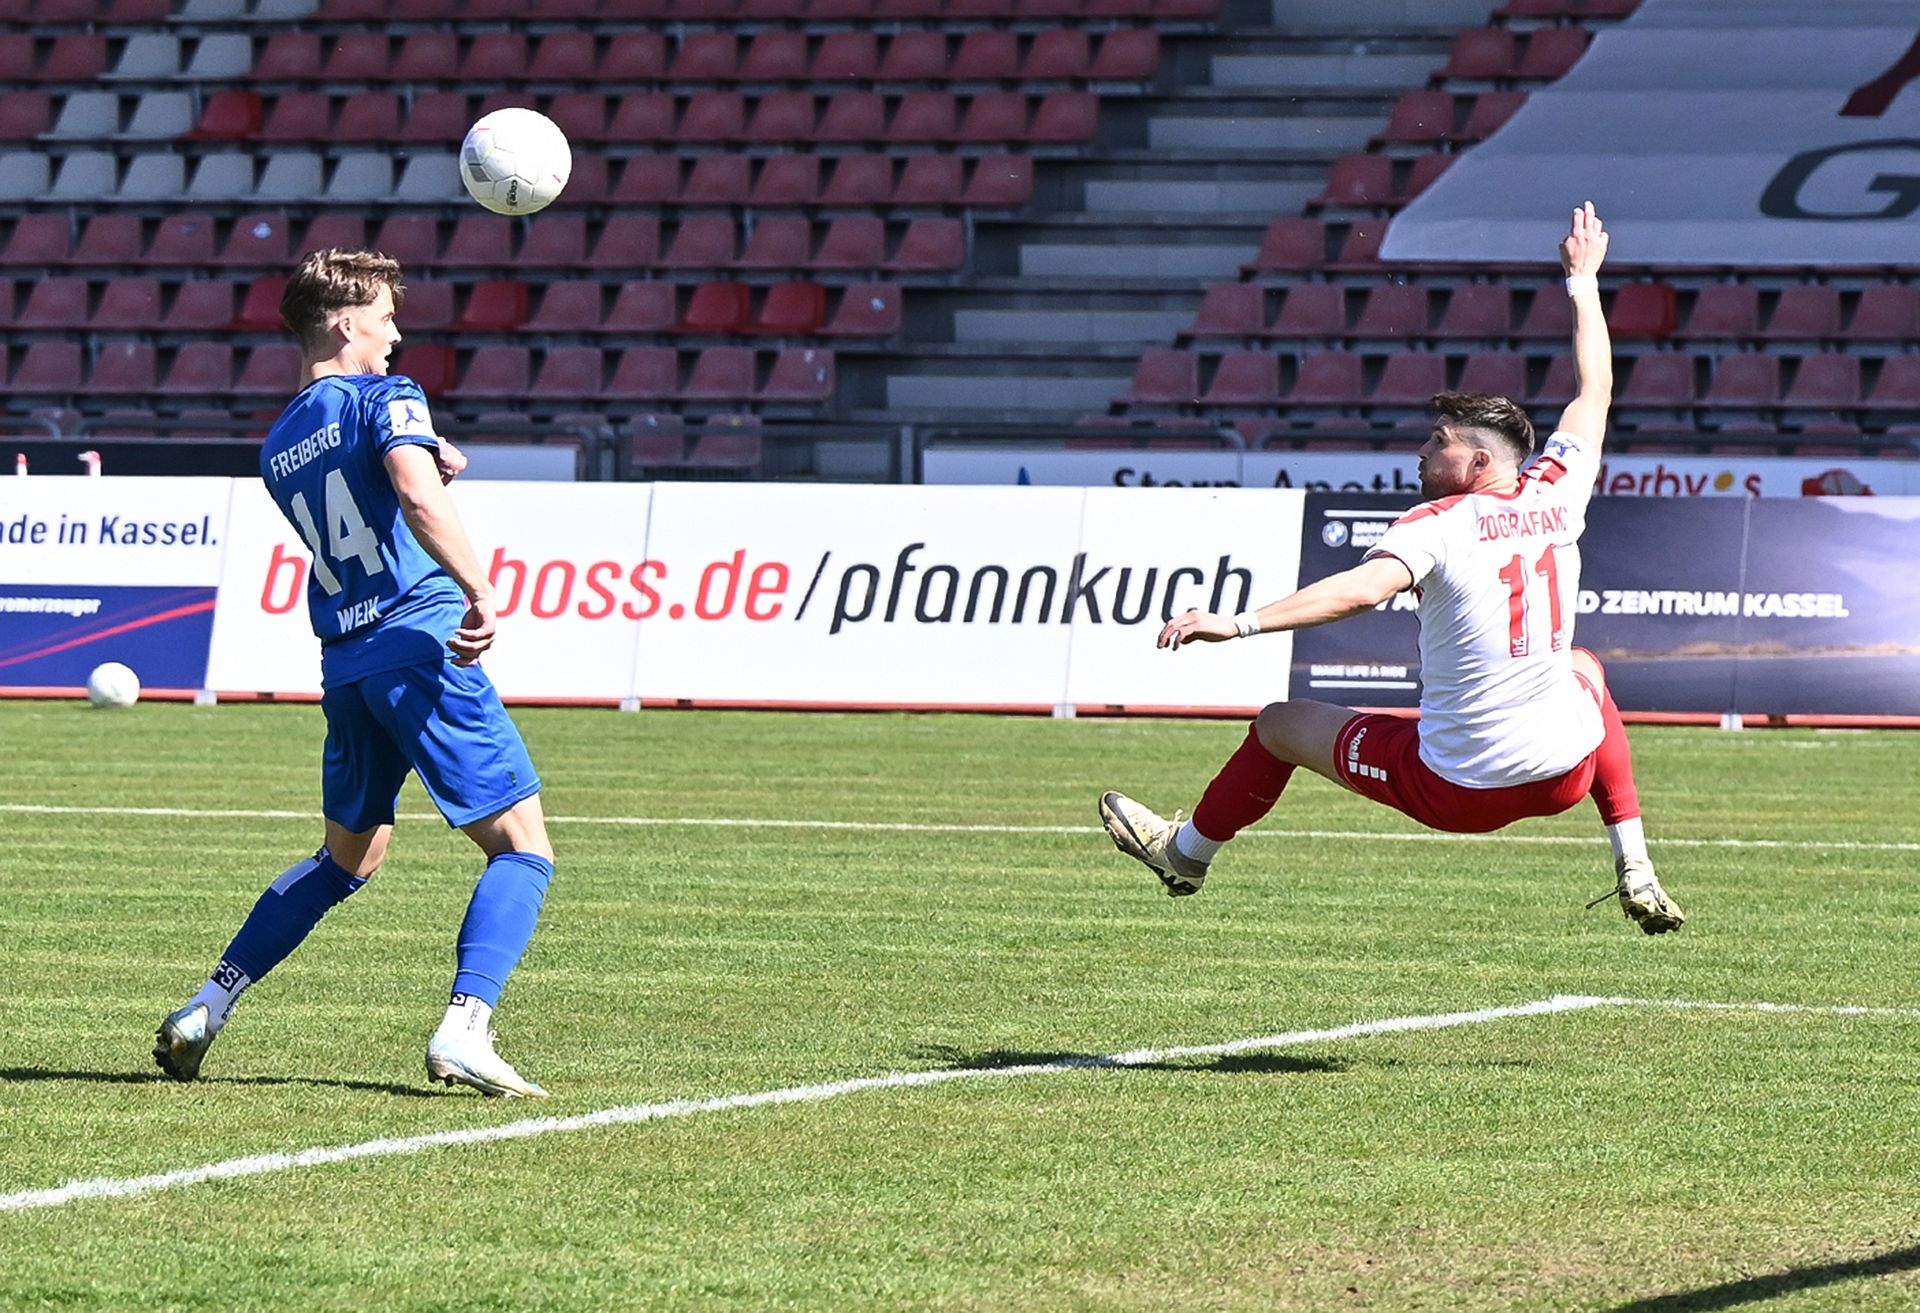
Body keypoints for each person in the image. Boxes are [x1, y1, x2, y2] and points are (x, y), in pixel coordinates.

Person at [1100, 203, 1683, 935]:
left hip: (1458, 788)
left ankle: (1184, 854)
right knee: (1586, 667)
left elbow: (1361, 591)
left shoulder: (1438, 523)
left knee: (1279, 725)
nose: (1422, 451)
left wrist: (1238, 624)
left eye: (1438, 441)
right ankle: (1636, 863)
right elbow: (1595, 389)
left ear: (1477, 462)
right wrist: (1584, 280)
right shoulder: (1557, 490)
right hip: (1565, 777)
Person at [153, 248, 557, 1096]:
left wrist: (420, 449)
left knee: (349, 857)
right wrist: (479, 587)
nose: (395, 334)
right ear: (345, 323)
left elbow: (362, 479)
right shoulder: (386, 396)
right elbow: (412, 494)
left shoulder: (279, 443)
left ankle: (206, 1006)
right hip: (417, 640)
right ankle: (466, 1027)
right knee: (523, 847)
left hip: (347, 662)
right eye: (384, 317)